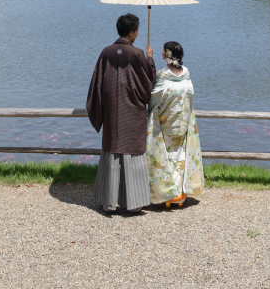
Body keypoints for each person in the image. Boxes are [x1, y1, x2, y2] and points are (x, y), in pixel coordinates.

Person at [86, 12, 156, 214]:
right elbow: (148, 84)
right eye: (137, 31)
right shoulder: (137, 54)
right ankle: (133, 203)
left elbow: (97, 85)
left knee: (112, 152)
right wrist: (150, 59)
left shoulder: (106, 52)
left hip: (111, 111)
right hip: (132, 112)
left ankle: (109, 202)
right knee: (132, 153)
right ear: (133, 32)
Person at [146, 40, 204, 209]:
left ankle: (168, 193)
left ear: (167, 54)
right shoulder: (186, 76)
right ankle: (181, 192)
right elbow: (190, 98)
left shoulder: (163, 76)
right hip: (183, 120)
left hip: (167, 121)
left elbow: (153, 97)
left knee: (167, 154)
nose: (162, 53)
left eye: (164, 51)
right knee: (180, 154)